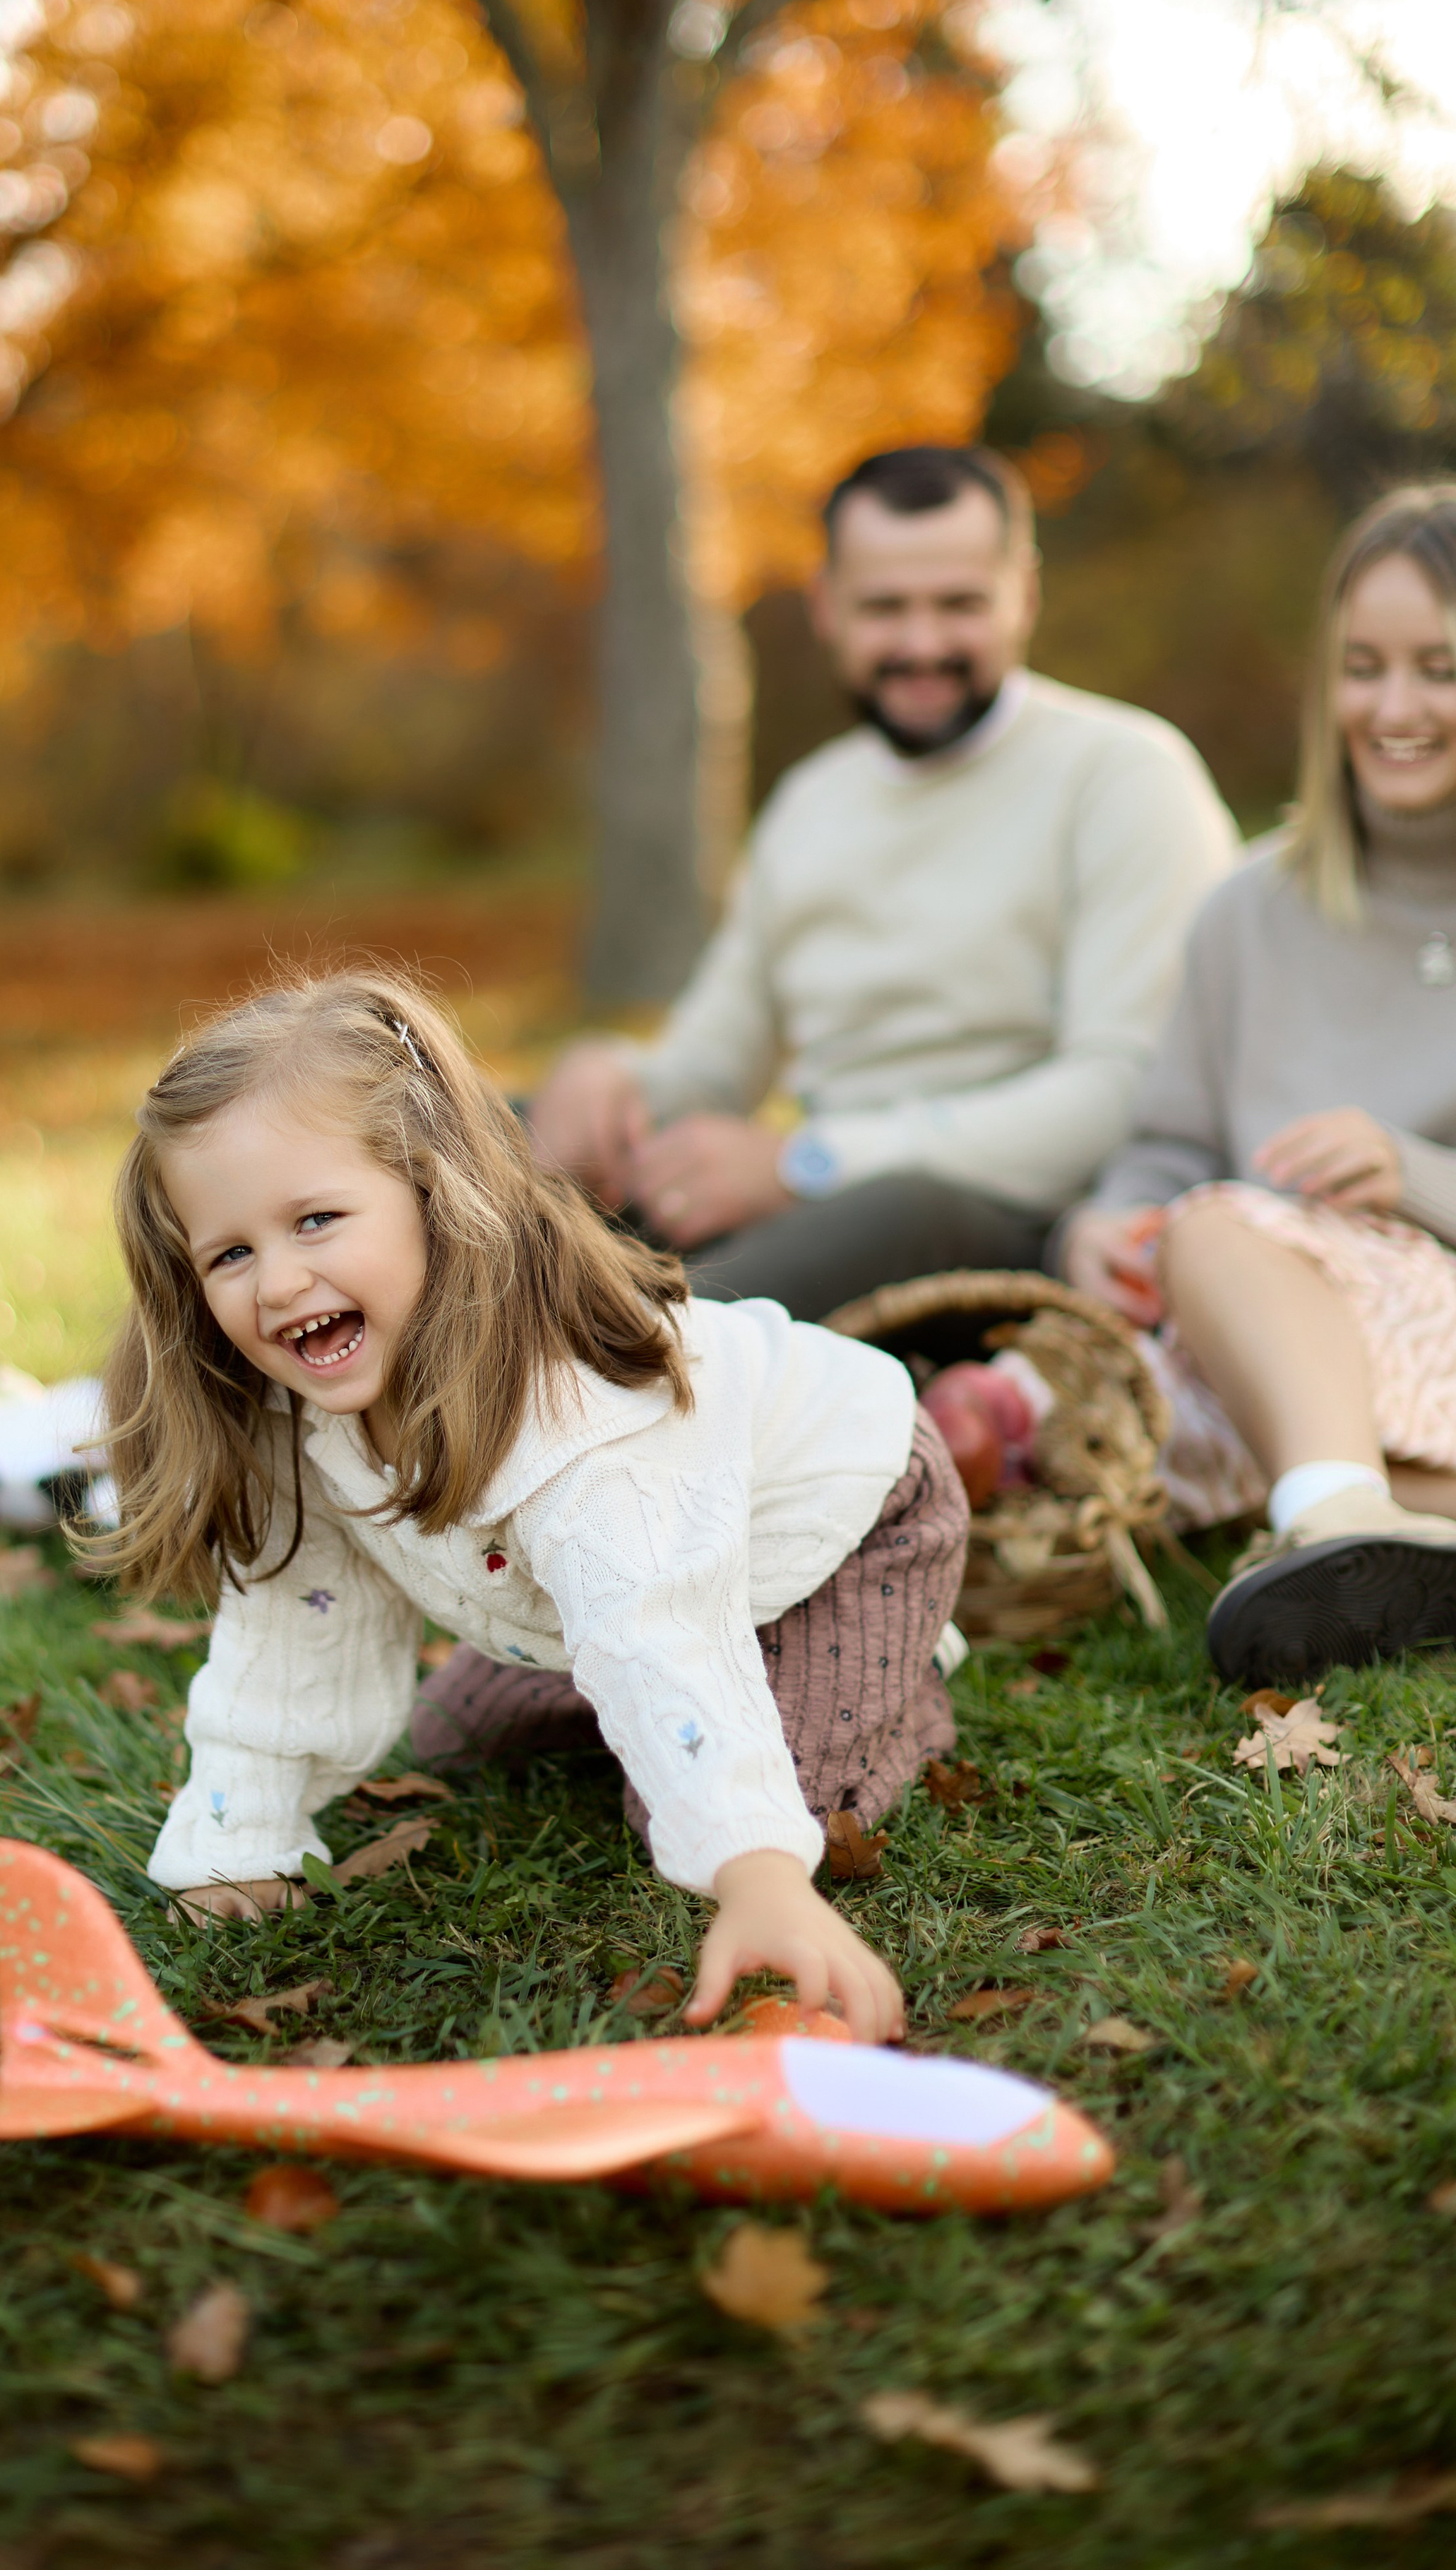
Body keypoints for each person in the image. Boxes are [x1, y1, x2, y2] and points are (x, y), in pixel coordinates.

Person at [90, 968, 972, 2040]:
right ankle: (756, 1684)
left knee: (696, 1804)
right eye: (231, 1253)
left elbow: (654, 1630)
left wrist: (761, 1879)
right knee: (460, 1738)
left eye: (316, 1221)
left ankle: (898, 1670)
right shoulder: (297, 1411)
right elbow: (294, 1626)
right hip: (623, 1568)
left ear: (432, 1195)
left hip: (850, 1520)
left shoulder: (573, 1414)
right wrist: (236, 1842)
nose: (275, 1284)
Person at [531, 444, 1239, 1320]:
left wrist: (804, 1166)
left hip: (1008, 1223)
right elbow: (716, 1057)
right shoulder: (811, 801)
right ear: (826, 606)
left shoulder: (1123, 775)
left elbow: (1119, 1095)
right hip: (825, 1204)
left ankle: (628, 1368)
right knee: (469, 1140)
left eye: (959, 604)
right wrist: (611, 1084)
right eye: (885, 608)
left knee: (877, 1217)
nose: (922, 644)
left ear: (1023, 591)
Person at [1062, 484, 1456, 1684]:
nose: (1395, 708)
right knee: (1043, 1405)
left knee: (1225, 1232)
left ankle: (1334, 1521)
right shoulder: (1248, 908)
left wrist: (1416, 1170)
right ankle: (1382, 1521)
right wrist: (1108, 1218)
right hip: (1273, 1347)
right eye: (1364, 666)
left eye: (1440, 669)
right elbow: (1171, 1141)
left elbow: (1214, 1207)